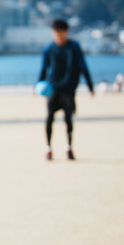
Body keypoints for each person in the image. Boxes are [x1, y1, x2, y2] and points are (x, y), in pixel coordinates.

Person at [38, 19, 94, 161]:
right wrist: (38, 84)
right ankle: (48, 148)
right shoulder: (48, 48)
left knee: (68, 119)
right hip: (52, 89)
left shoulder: (74, 47)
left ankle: (69, 147)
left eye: (61, 32)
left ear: (66, 32)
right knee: (49, 118)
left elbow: (83, 67)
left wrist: (90, 87)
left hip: (69, 90)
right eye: (55, 32)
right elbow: (44, 68)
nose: (58, 35)